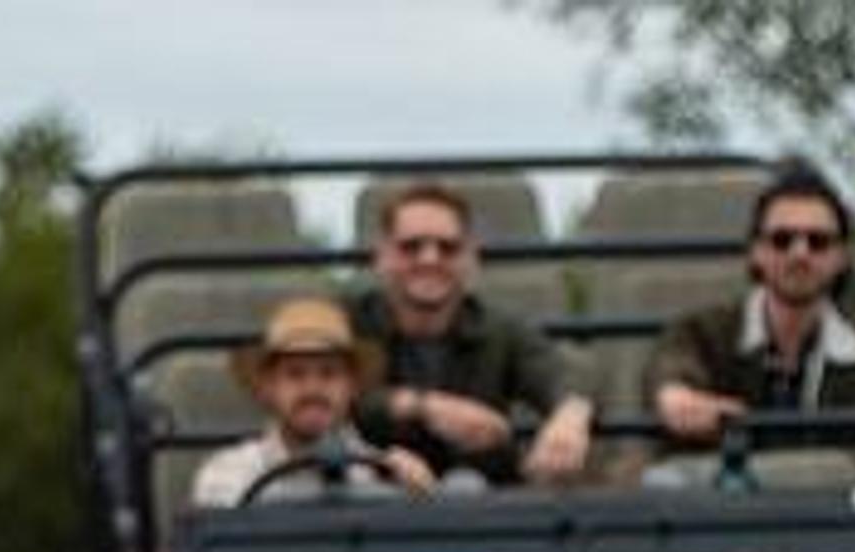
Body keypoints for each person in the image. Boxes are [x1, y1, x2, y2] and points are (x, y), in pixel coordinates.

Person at [647, 163, 855, 473]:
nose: (799, 254)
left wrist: (834, 471)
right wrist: (676, 396)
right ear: (755, 251)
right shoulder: (700, 333)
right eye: (781, 239)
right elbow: (671, 367)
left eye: (818, 241)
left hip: (832, 518)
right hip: (725, 516)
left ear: (842, 257)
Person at [350, 181, 595, 485]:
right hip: (368, 501)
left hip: (482, 508)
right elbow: (329, 396)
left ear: (471, 258)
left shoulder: (498, 329)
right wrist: (421, 406)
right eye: (411, 247)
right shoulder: (349, 325)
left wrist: (570, 416)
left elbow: (563, 373)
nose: (430, 259)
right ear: (382, 256)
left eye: (448, 247)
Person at [191, 294, 435, 508]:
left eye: (328, 374)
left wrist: (419, 496)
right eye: (295, 374)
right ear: (268, 388)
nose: (312, 389)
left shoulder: (391, 477)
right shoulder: (227, 476)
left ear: (353, 387)